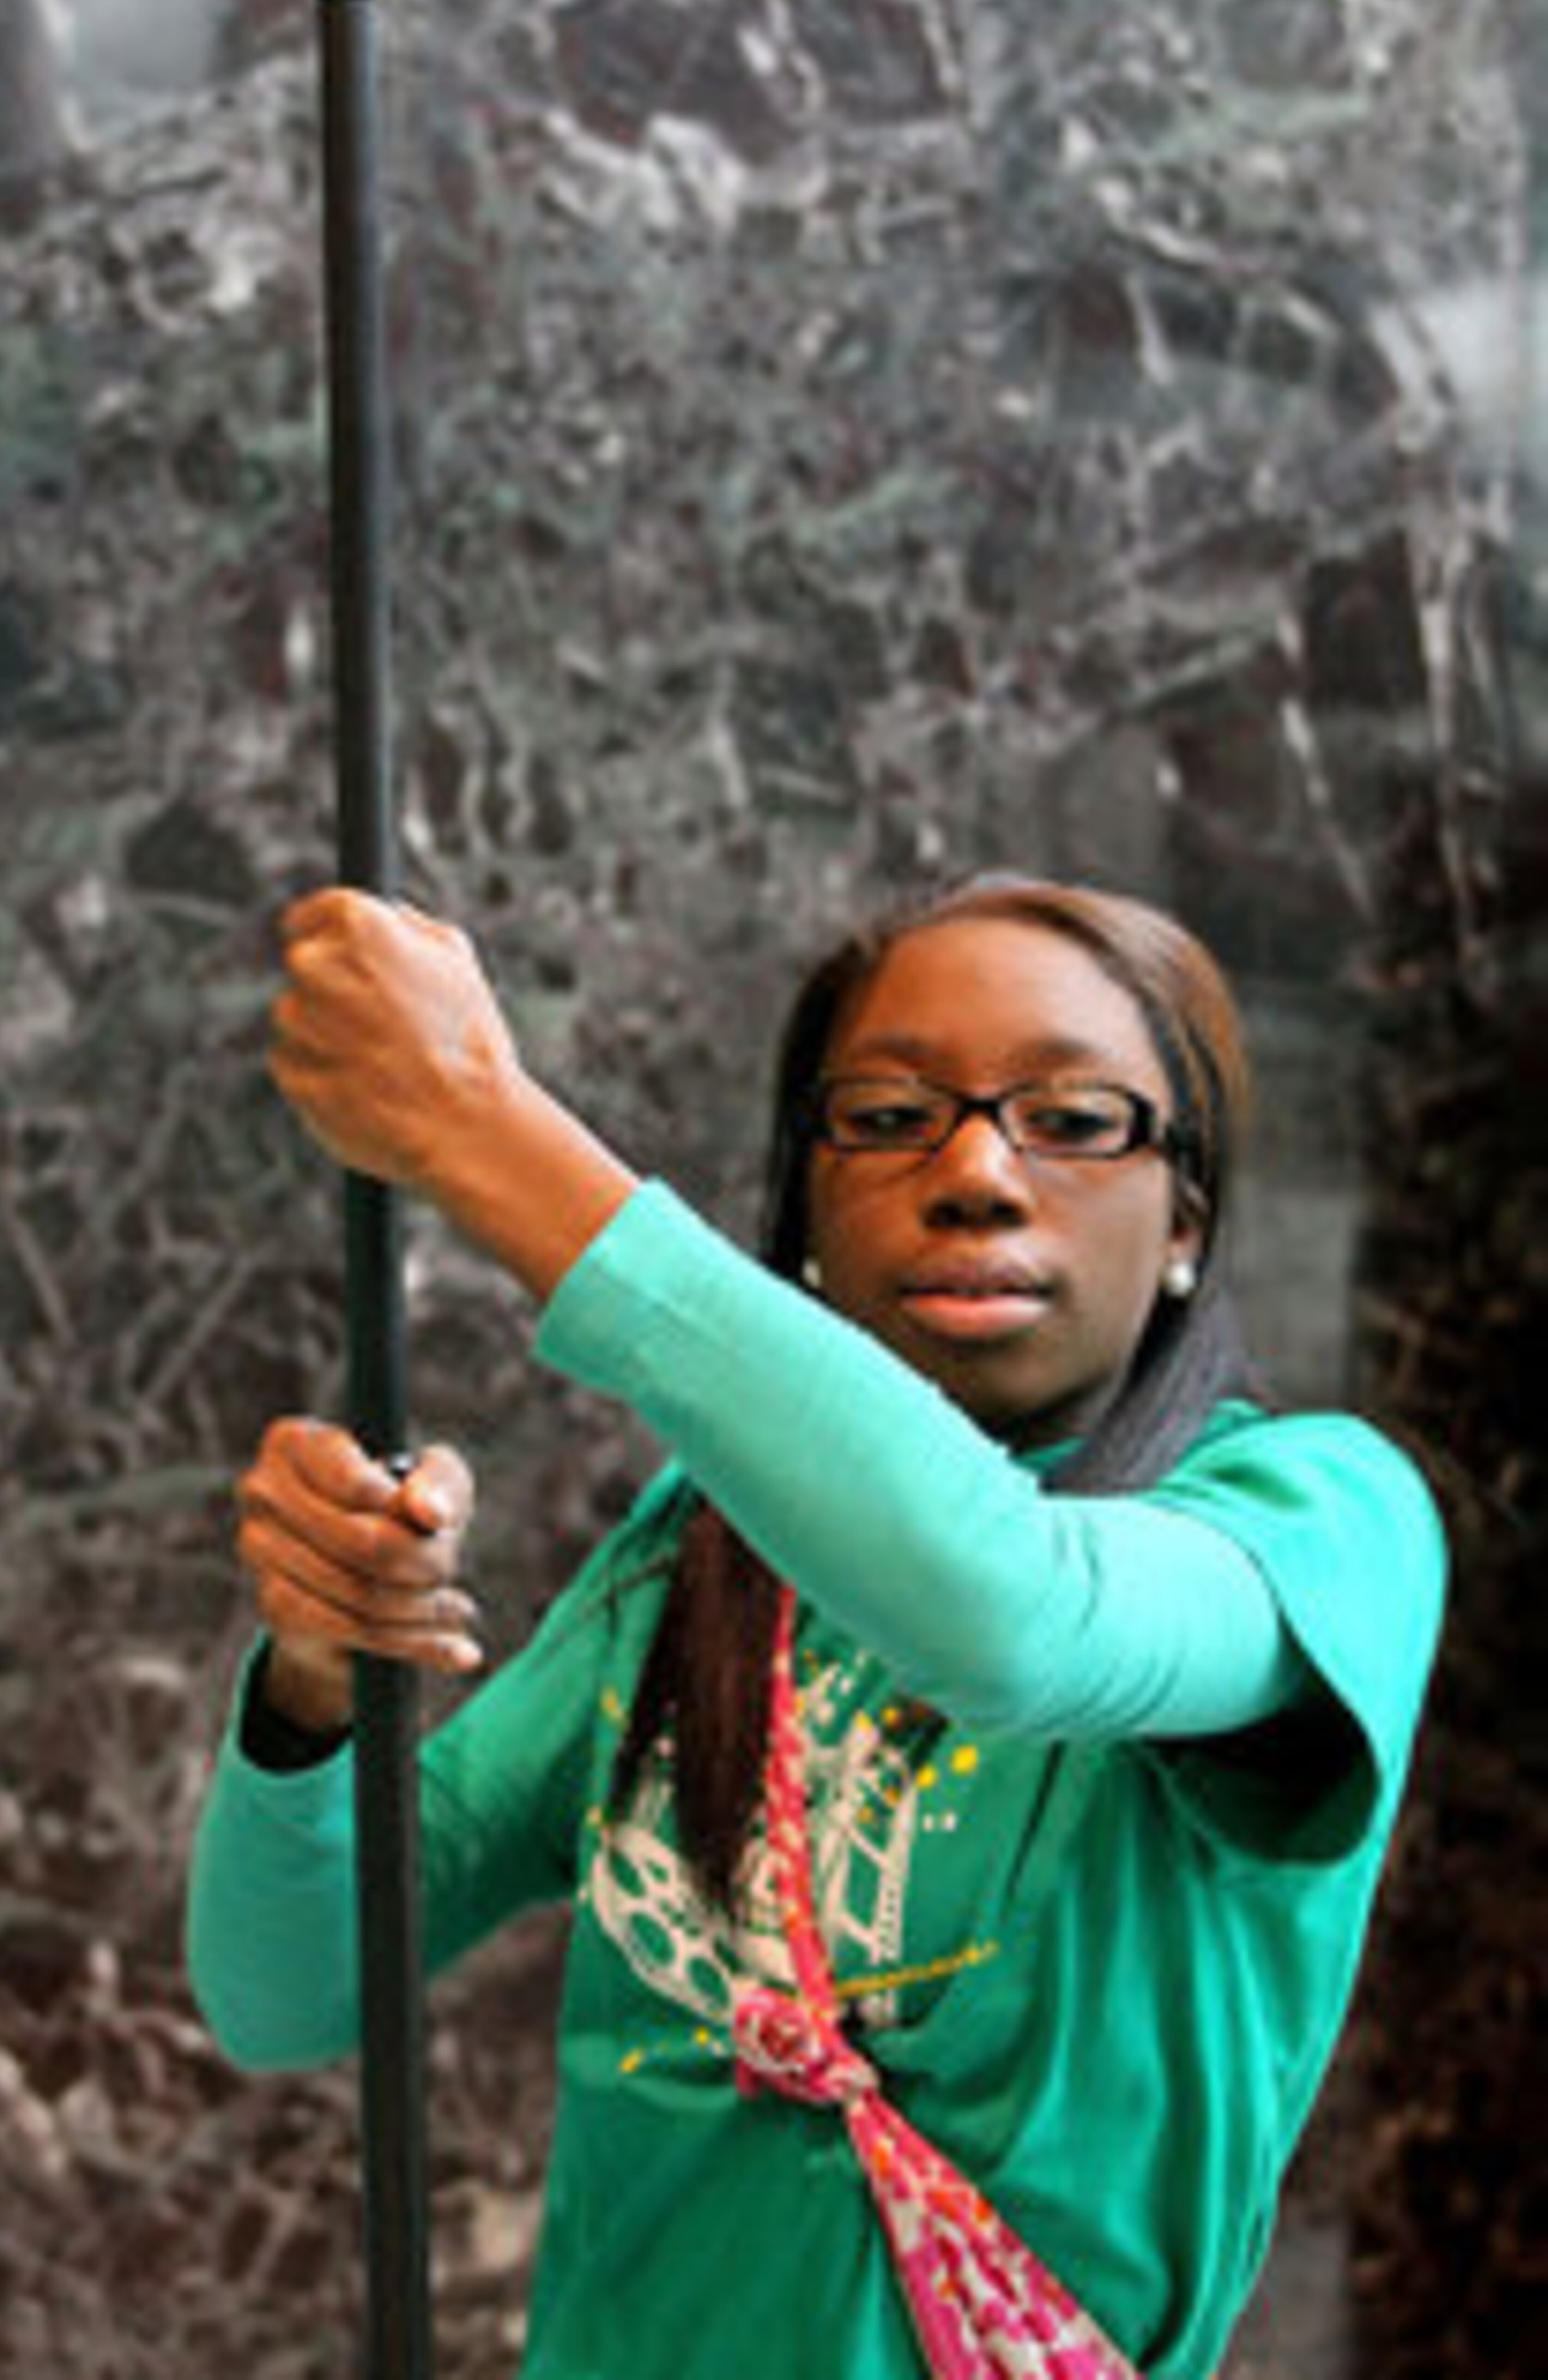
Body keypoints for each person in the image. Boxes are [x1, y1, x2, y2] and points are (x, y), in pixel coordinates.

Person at [186, 870, 1445, 2380]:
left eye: (1076, 1116)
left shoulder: (1315, 1523)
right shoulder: (698, 1564)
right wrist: (318, 1682)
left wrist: (483, 1130)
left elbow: (1012, 1612)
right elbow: (292, 1984)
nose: (978, 1169)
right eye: (891, 1114)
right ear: (803, 1214)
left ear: (1186, 1218)